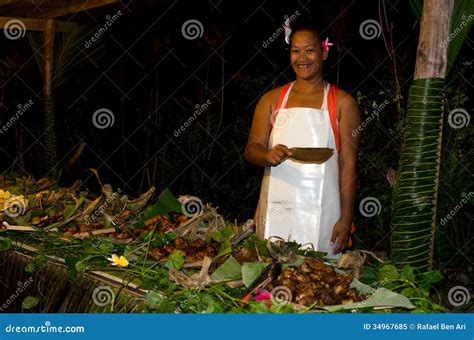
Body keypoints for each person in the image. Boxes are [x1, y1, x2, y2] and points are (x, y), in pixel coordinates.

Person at [245, 17, 361, 258]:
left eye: (310, 50)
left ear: (324, 53)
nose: (302, 58)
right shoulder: (270, 100)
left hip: (324, 211)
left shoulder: (343, 103)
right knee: (270, 274)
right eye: (296, 51)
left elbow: (348, 164)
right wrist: (267, 154)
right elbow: (251, 150)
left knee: (320, 280)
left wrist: (346, 218)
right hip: (277, 207)